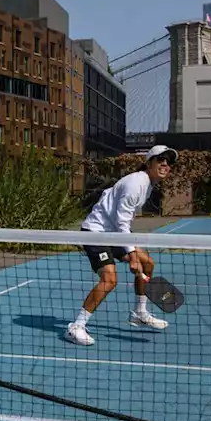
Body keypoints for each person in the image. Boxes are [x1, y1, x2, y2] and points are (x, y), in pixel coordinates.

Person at [64, 145, 177, 347]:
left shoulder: (147, 184)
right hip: (96, 233)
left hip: (113, 232)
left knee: (148, 263)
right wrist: (132, 256)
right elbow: (122, 222)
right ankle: (76, 327)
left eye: (169, 162)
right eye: (161, 160)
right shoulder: (136, 183)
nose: (165, 164)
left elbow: (119, 215)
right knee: (109, 280)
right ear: (149, 162)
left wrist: (134, 255)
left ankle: (139, 313)